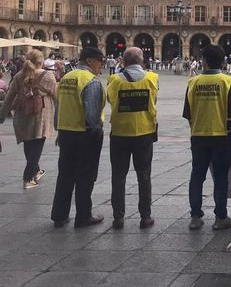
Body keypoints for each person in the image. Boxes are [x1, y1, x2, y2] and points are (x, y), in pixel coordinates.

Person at [184, 45, 231, 231]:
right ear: (223, 62)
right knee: (220, 177)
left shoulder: (193, 82)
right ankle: (220, 217)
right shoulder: (227, 81)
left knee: (197, 175)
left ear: (204, 61)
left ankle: (195, 216)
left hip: (199, 135)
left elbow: (187, 112)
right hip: (222, 135)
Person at [51, 47, 107, 228]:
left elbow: (58, 107)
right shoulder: (90, 81)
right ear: (91, 61)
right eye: (100, 62)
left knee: (65, 175)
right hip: (85, 134)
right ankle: (83, 216)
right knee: (85, 176)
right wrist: (98, 131)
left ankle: (59, 215)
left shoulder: (66, 78)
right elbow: (92, 115)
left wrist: (59, 129)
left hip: (66, 132)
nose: (102, 66)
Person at [107, 47, 159, 229]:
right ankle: (145, 216)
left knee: (118, 176)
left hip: (120, 133)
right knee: (144, 175)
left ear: (124, 61)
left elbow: (111, 100)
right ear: (141, 60)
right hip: (144, 133)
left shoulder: (114, 80)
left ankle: (118, 218)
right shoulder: (152, 78)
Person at [0, 50, 57, 189]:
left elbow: (9, 97)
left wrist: (2, 114)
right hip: (40, 116)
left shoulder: (19, 76)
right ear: (41, 61)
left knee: (29, 144)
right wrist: (60, 118)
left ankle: (36, 171)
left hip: (22, 115)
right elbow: (57, 97)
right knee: (37, 146)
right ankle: (27, 178)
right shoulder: (48, 75)